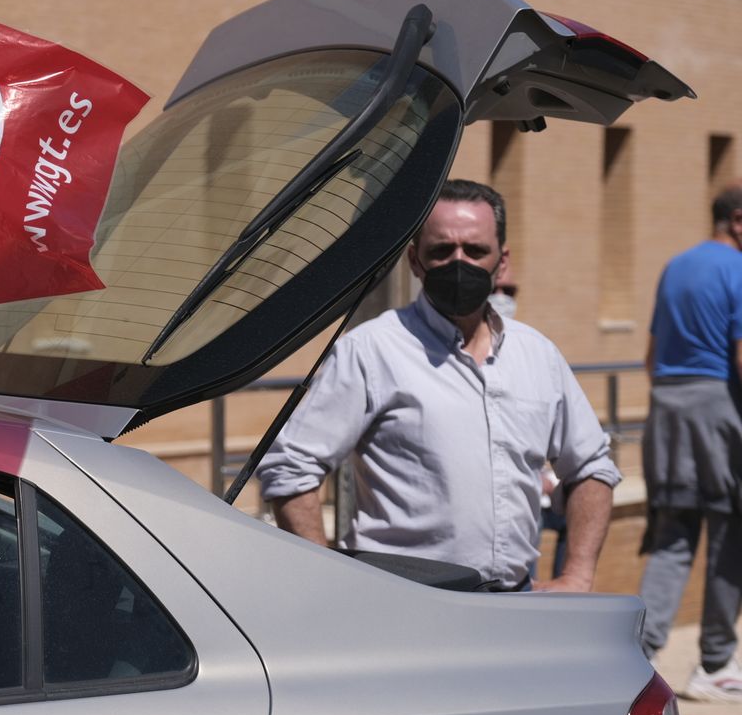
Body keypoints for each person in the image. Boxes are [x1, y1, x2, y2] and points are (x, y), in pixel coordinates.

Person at [255, 179, 619, 592]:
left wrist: (578, 575)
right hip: (406, 602)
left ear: (501, 262)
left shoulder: (537, 355)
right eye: (442, 251)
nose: (458, 263)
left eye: (475, 250)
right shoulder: (372, 350)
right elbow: (290, 467)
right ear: (415, 260)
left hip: (514, 602)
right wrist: (328, 581)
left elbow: (591, 466)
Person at [638, 182, 742, 702]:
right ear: (739, 221)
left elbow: (650, 357)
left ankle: (639, 655)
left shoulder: (675, 266)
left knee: (673, 535)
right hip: (716, 406)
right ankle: (716, 664)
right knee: (729, 531)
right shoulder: (738, 269)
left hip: (667, 407)